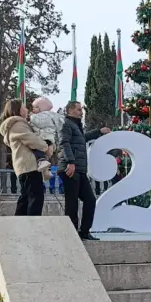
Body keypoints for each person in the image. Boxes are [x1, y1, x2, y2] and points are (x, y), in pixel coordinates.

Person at [58, 101, 109, 240]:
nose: (81, 112)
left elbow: (83, 139)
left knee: (90, 200)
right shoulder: (66, 124)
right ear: (70, 111)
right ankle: (72, 233)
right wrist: (71, 162)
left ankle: (84, 231)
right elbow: (64, 142)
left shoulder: (76, 126)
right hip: (70, 168)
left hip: (79, 170)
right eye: (79, 109)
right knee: (72, 202)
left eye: (81, 109)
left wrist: (99, 132)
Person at [0, 99, 52, 217]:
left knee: (26, 197)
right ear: (18, 110)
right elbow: (32, 140)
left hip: (24, 166)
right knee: (36, 197)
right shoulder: (18, 125)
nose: (27, 109)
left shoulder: (14, 125)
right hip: (29, 166)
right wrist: (46, 146)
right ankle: (32, 226)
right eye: (24, 107)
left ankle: (20, 226)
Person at [29, 97, 64, 173]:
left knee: (36, 149)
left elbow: (38, 122)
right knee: (45, 152)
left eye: (35, 108)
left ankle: (42, 162)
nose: (33, 110)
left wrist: (32, 117)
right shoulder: (52, 116)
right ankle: (45, 171)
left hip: (43, 137)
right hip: (49, 138)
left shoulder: (42, 116)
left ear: (41, 108)